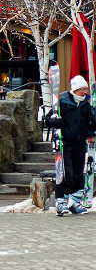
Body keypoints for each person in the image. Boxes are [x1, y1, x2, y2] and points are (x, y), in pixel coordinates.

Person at [44, 75, 96, 215]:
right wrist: (55, 122)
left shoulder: (86, 102)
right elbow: (48, 119)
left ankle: (75, 200)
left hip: (80, 142)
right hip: (65, 142)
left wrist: (92, 131)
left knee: (79, 172)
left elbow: (89, 121)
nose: (84, 92)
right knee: (66, 173)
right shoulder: (62, 100)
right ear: (75, 89)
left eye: (86, 89)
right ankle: (61, 200)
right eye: (82, 89)